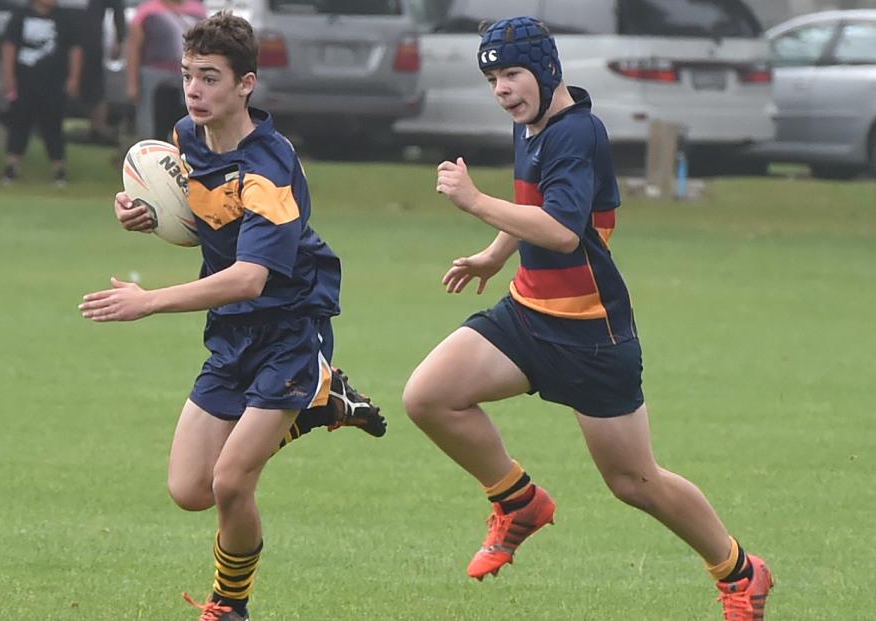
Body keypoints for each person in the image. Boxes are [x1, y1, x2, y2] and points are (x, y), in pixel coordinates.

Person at [401, 16, 773, 621]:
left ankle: (740, 573)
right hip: (527, 312)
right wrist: (494, 256)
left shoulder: (578, 133)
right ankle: (518, 501)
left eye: (512, 74)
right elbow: (532, 206)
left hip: (590, 335)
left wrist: (472, 201)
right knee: (429, 396)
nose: (502, 89)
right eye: (492, 78)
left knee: (635, 483)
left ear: (547, 70)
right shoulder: (532, 121)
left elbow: (563, 232)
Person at [79, 12, 385, 621]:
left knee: (230, 484)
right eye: (190, 75)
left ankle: (229, 604)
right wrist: (144, 215)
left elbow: (251, 276)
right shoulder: (187, 140)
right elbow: (205, 223)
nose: (195, 89)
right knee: (189, 489)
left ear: (245, 85)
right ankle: (323, 405)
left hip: (290, 330)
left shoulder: (268, 167)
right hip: (232, 333)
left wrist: (149, 301)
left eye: (211, 78)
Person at [0, 0, 83, 186]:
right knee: (20, 123)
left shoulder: (65, 18)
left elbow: (75, 49)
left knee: (53, 125)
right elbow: (9, 46)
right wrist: (8, 75)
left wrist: (74, 78)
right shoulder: (20, 16)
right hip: (24, 81)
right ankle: (12, 164)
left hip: (54, 83)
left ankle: (58, 167)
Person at [126, 0, 205, 141]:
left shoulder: (198, 12)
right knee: (150, 121)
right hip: (153, 75)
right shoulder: (147, 11)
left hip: (190, 77)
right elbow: (134, 48)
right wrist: (132, 84)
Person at [74, 0, 126, 144]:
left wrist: (119, 38)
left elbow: (118, 7)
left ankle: (98, 128)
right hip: (60, 35)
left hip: (91, 41)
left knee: (95, 85)